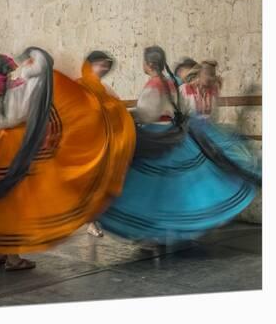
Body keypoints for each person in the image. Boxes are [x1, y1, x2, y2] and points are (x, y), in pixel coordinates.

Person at [0, 47, 135, 270]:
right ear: (7, 72)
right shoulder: (22, 92)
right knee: (15, 203)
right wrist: (35, 57)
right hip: (19, 148)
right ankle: (13, 259)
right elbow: (43, 74)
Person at [98, 46, 261, 244]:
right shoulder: (173, 83)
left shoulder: (154, 85)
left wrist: (126, 116)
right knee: (180, 185)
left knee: (150, 187)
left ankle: (152, 230)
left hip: (156, 136)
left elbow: (147, 113)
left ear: (148, 64)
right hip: (177, 136)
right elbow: (183, 109)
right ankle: (177, 229)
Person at [80, 50, 134, 238]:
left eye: (107, 66)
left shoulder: (103, 89)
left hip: (101, 141)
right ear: (90, 64)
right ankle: (90, 220)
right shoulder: (81, 85)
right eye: (101, 64)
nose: (104, 68)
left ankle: (93, 219)